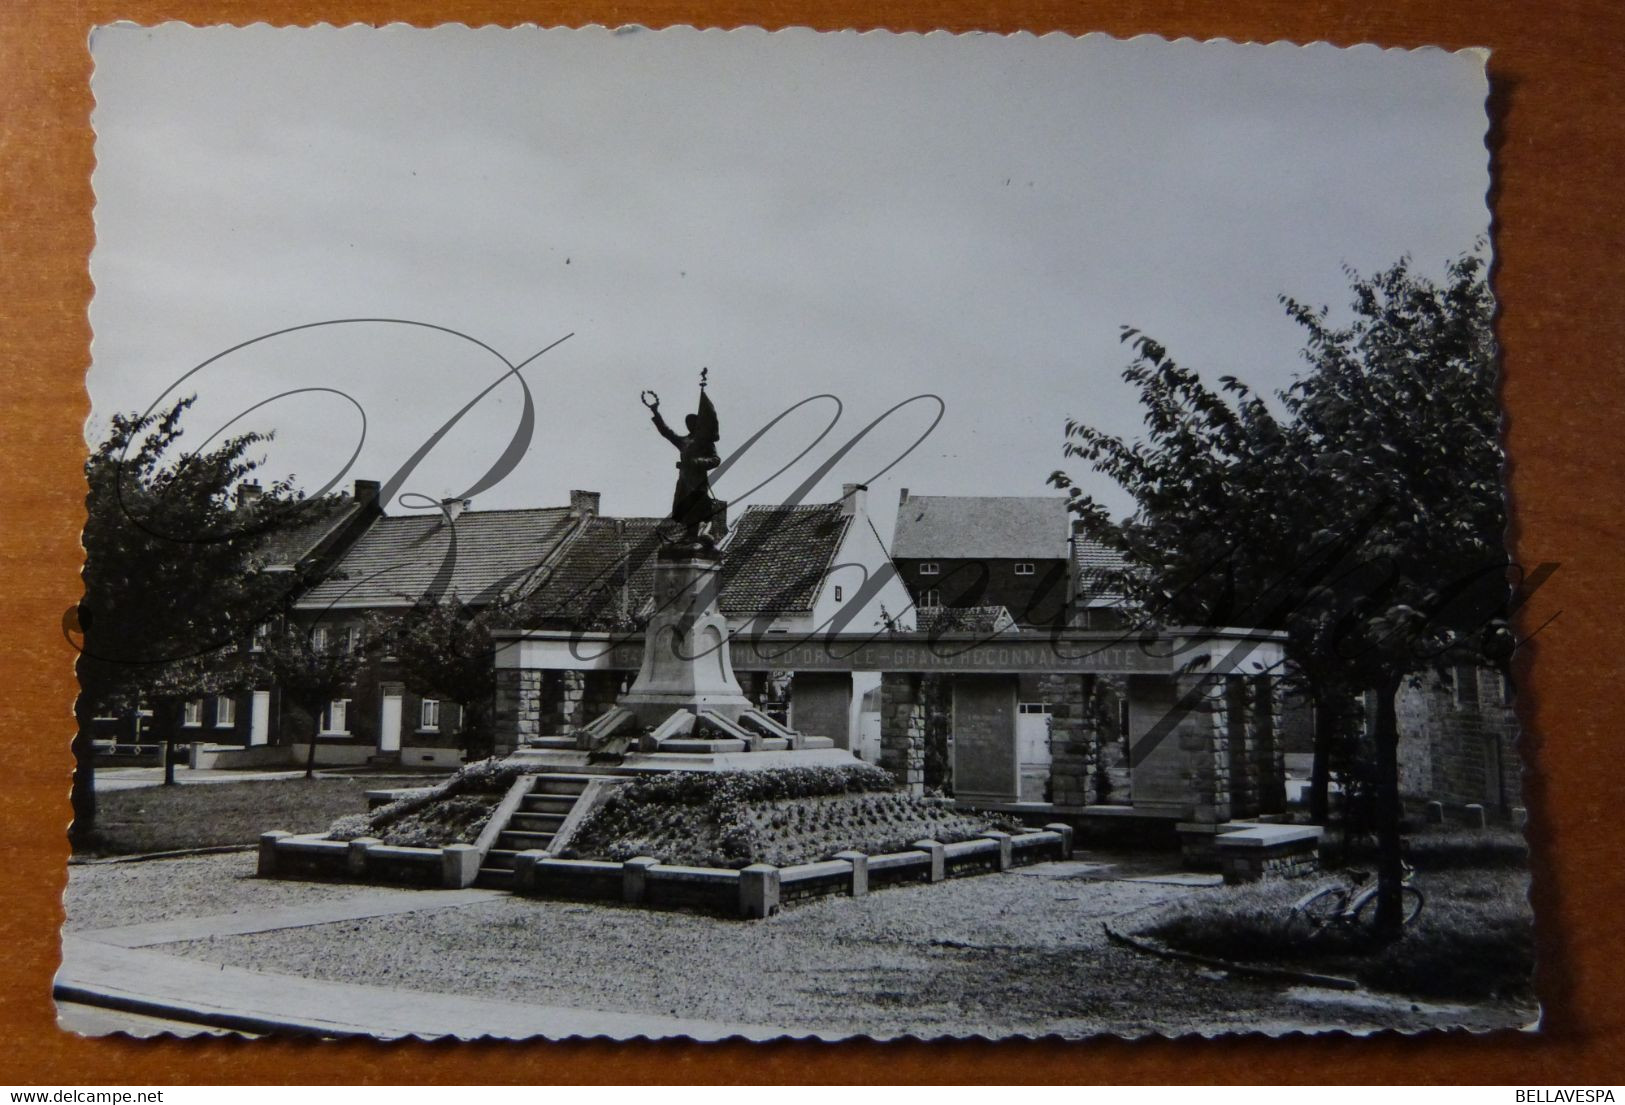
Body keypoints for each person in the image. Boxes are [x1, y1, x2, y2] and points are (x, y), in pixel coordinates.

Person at [642, 383, 723, 555]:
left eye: (692, 422)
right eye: (688, 423)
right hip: (684, 480)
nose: (689, 425)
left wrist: (698, 462)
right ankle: (688, 535)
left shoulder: (706, 443)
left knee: (696, 508)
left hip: (698, 481)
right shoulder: (684, 442)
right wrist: (656, 412)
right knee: (683, 507)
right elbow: (666, 432)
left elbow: (716, 460)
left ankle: (692, 536)